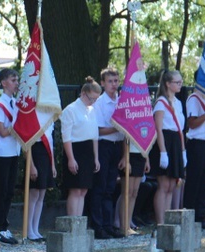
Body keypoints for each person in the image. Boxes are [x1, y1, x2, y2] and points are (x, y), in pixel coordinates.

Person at [91, 67, 125, 239]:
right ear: (103, 83)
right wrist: (115, 127)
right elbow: (97, 130)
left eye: (116, 81)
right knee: (100, 187)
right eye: (110, 81)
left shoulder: (122, 101)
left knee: (111, 188)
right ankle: (98, 226)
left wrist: (125, 155)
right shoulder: (100, 103)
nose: (114, 85)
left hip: (117, 146)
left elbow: (127, 130)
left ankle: (108, 224)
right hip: (104, 146)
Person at [0, 68, 21, 245]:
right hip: (3, 152)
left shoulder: (15, 103)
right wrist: (18, 128)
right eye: (13, 80)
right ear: (4, 83)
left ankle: (4, 224)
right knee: (0, 191)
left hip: (14, 150)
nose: (16, 83)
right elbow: (1, 131)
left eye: (17, 80)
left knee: (9, 191)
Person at [61, 77, 101, 216]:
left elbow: (94, 136)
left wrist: (96, 158)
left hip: (88, 150)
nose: (93, 102)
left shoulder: (91, 110)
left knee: (83, 190)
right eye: (91, 99)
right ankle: (72, 221)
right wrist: (71, 159)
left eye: (96, 100)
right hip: (76, 150)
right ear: (83, 93)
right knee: (75, 189)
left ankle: (79, 221)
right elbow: (66, 137)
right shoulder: (70, 110)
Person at [152, 70, 185, 226]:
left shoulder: (178, 103)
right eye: (177, 82)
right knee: (164, 185)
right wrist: (163, 152)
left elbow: (180, 130)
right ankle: (160, 222)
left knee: (172, 185)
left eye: (180, 82)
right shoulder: (161, 102)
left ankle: (167, 219)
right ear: (168, 84)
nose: (180, 85)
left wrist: (183, 151)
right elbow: (158, 129)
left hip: (176, 142)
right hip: (164, 142)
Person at [183, 82, 205, 229]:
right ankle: (190, 216)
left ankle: (200, 216)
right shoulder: (194, 99)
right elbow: (192, 123)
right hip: (196, 144)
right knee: (194, 181)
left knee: (204, 182)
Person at [114, 142, 150, 235]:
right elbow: (125, 137)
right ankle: (123, 226)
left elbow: (146, 140)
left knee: (134, 192)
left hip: (141, 153)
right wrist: (126, 158)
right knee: (127, 192)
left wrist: (147, 159)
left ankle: (128, 224)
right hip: (129, 154)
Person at [27, 124, 56, 242]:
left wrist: (53, 165)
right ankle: (28, 229)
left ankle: (35, 228)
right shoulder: (33, 118)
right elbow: (27, 144)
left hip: (46, 156)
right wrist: (31, 166)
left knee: (41, 195)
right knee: (34, 194)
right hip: (36, 153)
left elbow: (51, 142)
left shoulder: (50, 120)